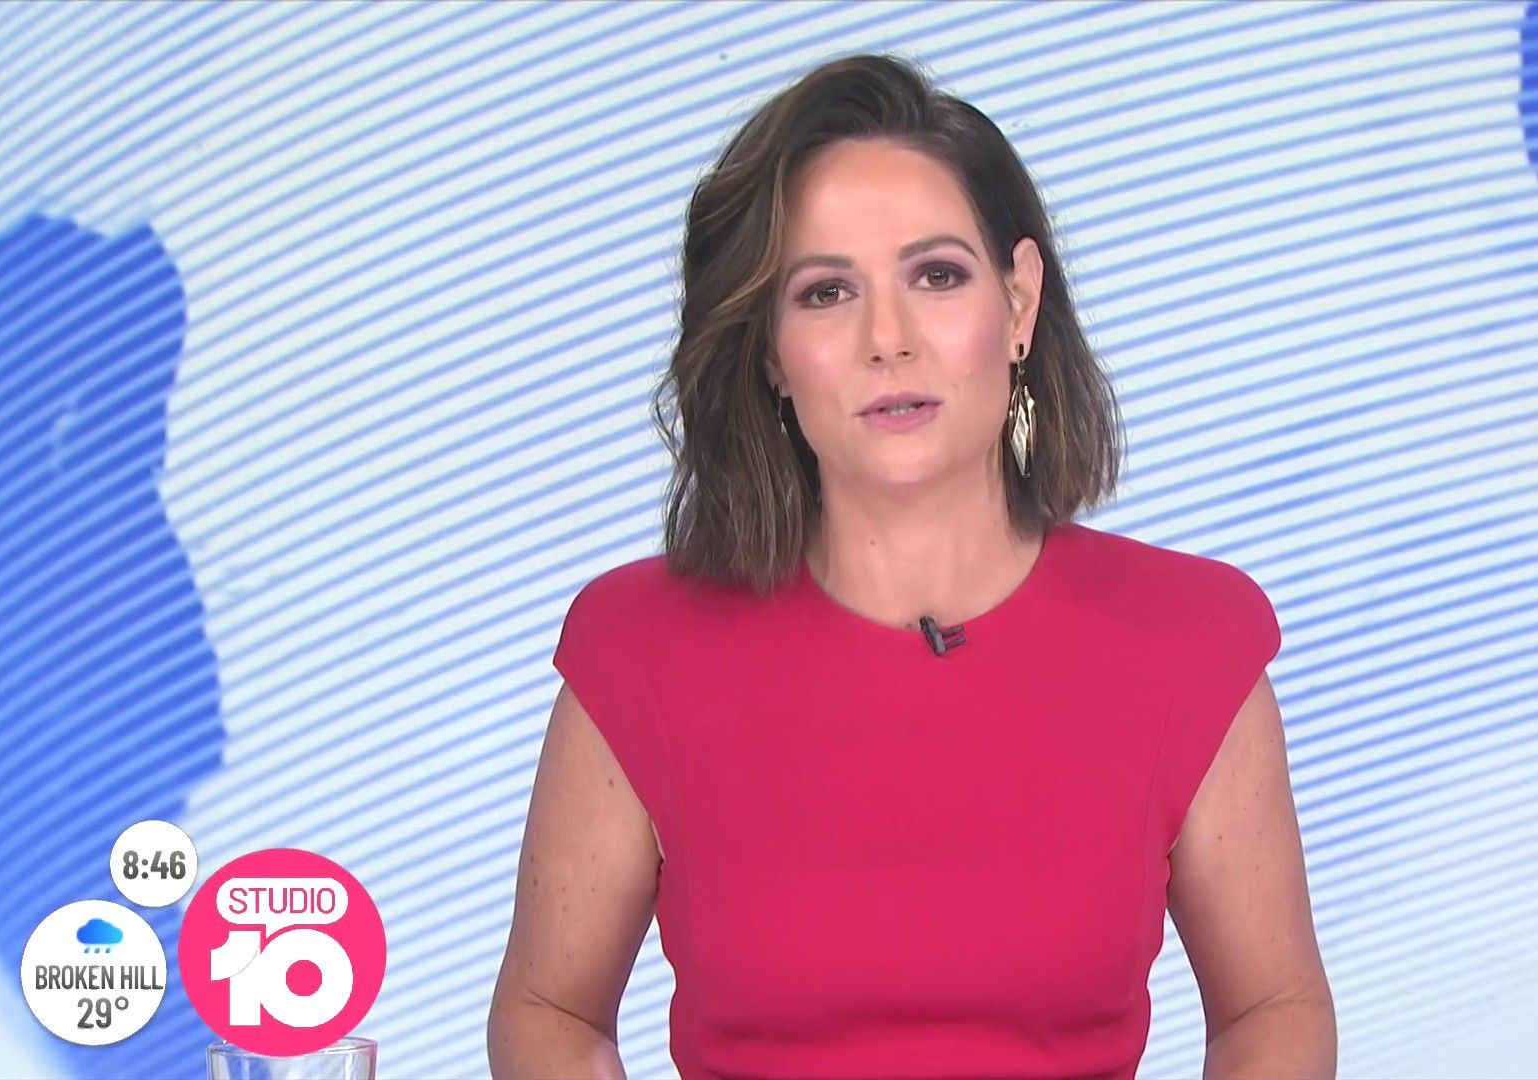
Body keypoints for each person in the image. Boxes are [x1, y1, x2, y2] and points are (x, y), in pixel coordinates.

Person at [488, 52, 1334, 1080]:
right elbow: (549, 1010)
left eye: (936, 276)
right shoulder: (637, 649)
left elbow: (1271, 1009)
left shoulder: (1189, 640)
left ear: (1018, 303)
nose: (887, 340)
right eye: (825, 292)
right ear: (770, 351)